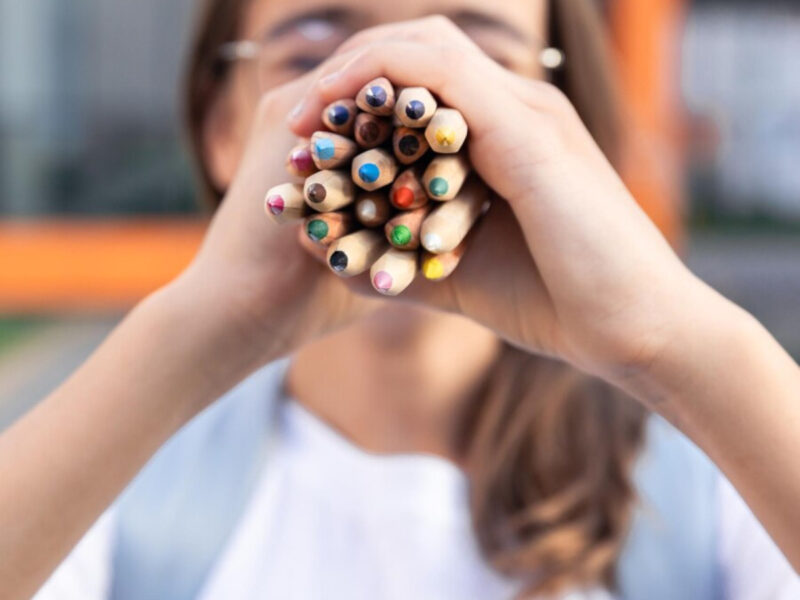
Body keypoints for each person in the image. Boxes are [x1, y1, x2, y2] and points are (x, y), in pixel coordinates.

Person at [1, 1, 799, 598]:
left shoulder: (714, 485)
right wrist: (197, 331)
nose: (396, 91)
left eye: (480, 56)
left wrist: (676, 344)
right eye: (313, 48)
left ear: (567, 123)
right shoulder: (110, 489)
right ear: (221, 128)